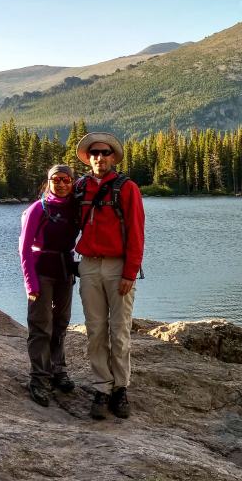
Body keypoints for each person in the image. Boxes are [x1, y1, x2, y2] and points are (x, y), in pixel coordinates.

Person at [74, 132, 145, 420]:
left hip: (118, 267)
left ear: (113, 157)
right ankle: (102, 388)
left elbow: (137, 234)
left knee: (120, 331)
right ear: (88, 158)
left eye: (105, 153)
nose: (99, 157)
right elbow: (57, 213)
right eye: (94, 153)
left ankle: (121, 389)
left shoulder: (126, 188)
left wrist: (130, 272)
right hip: (88, 265)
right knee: (95, 331)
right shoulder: (79, 187)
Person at [18, 164, 80, 407]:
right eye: (56, 180)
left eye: (66, 179)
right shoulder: (38, 209)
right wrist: (30, 283)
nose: (62, 184)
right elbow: (24, 249)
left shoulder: (75, 208)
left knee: (61, 322)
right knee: (41, 326)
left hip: (65, 270)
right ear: (49, 182)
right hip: (41, 271)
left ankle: (58, 370)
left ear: (72, 182)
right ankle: (39, 378)